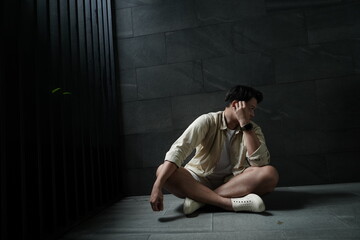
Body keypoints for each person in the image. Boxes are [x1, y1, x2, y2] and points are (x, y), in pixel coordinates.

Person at [149, 85, 279, 215]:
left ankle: (200, 199)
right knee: (162, 171)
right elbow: (179, 150)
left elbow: (260, 163)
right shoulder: (208, 121)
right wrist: (157, 186)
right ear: (236, 104)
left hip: (234, 183)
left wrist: (245, 125)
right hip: (198, 179)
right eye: (251, 109)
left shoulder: (253, 129)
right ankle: (227, 204)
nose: (252, 114)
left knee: (270, 174)